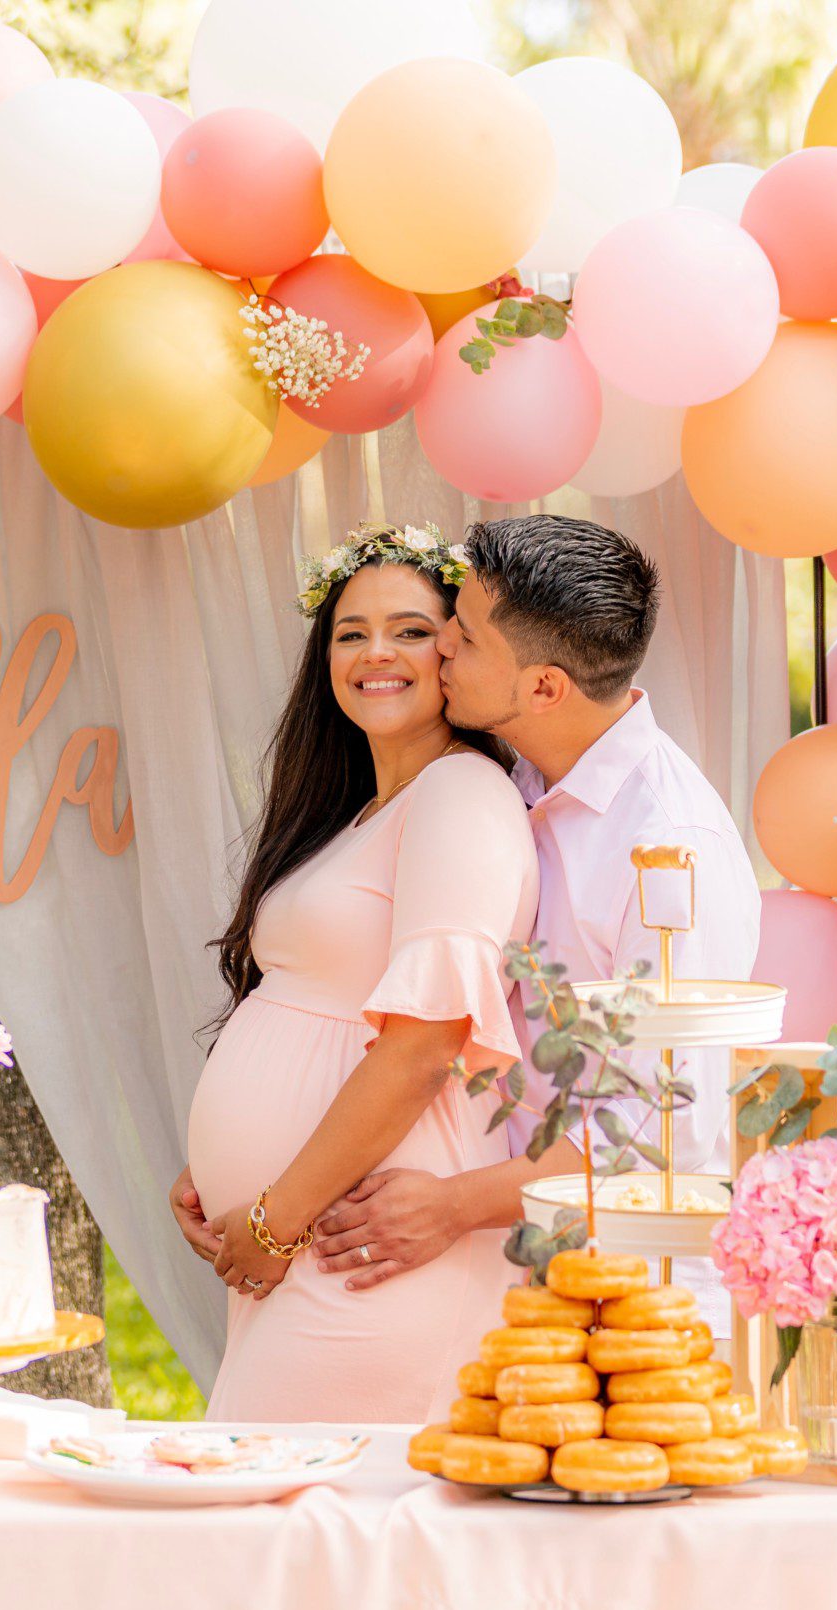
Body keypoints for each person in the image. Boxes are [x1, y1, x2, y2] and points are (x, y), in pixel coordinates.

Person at [316, 514, 763, 1324]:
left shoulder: (667, 850)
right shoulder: (510, 774)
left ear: (545, 687)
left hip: (634, 1298)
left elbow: (660, 1134)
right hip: (510, 1280)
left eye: (468, 637)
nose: (442, 646)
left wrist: (453, 1204)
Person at [167, 524, 563, 1425]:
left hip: (359, 1238)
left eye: (412, 630)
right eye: (351, 632)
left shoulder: (461, 796)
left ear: (456, 652)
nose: (377, 652)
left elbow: (425, 1048)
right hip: (300, 1231)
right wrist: (221, 1172)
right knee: (290, 1526)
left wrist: (273, 1217)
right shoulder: (359, 815)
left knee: (289, 1522)